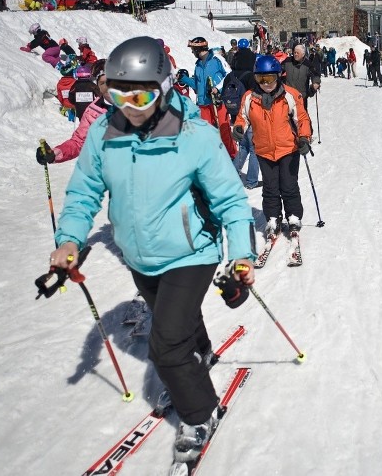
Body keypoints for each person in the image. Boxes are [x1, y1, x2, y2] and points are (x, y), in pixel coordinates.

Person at [48, 37, 256, 465]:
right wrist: (69, 238)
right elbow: (84, 191)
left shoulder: (194, 135)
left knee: (165, 345)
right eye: (118, 94)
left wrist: (241, 256)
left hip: (191, 252)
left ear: (164, 88)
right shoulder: (105, 134)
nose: (130, 105)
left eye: (141, 95)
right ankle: (197, 352)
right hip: (140, 257)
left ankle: (200, 413)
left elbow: (232, 202)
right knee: (176, 323)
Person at [232, 55, 312, 237]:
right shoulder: (249, 97)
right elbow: (242, 117)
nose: (266, 83)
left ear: (279, 76)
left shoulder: (290, 95)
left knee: (289, 185)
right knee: (270, 188)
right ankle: (273, 218)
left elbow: (302, 119)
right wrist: (238, 128)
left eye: (270, 78)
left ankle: (293, 216)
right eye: (261, 79)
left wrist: (304, 138)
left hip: (288, 149)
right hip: (263, 150)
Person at [37, 59, 110, 164]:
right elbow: (79, 142)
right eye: (103, 83)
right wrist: (54, 154)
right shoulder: (93, 111)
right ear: (98, 85)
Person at [178, 37, 237, 158]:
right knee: (207, 132)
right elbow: (197, 85)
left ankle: (231, 155)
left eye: (193, 49)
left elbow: (229, 75)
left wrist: (217, 88)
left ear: (198, 48)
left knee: (223, 129)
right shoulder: (198, 65)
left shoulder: (217, 59)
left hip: (217, 101)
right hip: (203, 103)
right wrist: (183, 78)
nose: (192, 52)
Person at [281, 44, 321, 111]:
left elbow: (315, 74)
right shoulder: (288, 61)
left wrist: (316, 82)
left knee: (302, 118)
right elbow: (279, 69)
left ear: (303, 54)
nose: (295, 54)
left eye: (298, 53)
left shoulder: (308, 64)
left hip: (301, 96)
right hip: (288, 96)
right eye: (294, 52)